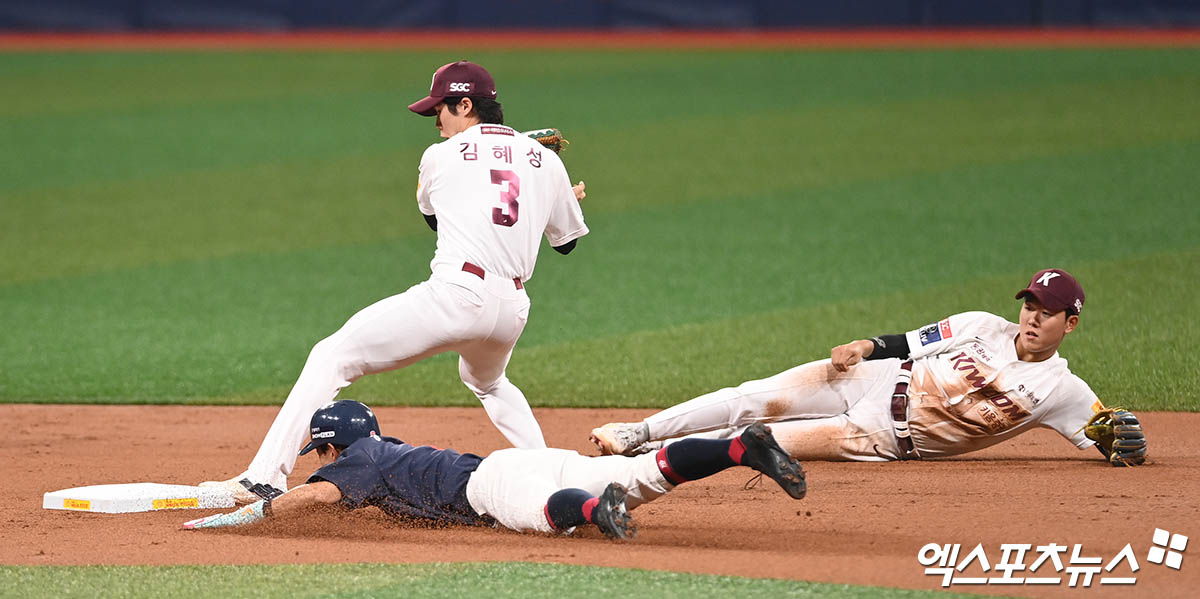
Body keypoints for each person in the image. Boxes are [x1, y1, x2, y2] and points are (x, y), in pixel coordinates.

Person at [202, 60, 590, 503]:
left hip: (457, 298)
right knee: (489, 382)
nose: (437, 124)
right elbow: (565, 245)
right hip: (512, 311)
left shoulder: (440, 157)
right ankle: (552, 478)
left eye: (440, 111)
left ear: (465, 104)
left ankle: (264, 477)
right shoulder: (546, 163)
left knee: (332, 355)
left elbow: (433, 219)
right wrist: (552, 195)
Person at [589, 269, 1148, 466]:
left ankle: (651, 458)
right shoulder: (982, 324)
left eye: (1047, 313)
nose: (1032, 318)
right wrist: (862, 346)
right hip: (880, 377)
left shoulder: (1065, 391)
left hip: (879, 437)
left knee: (763, 437)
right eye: (1029, 305)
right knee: (755, 395)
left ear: (1068, 324)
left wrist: (1130, 444)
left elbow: (1111, 437)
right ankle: (638, 431)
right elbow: (911, 340)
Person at [183, 400, 807, 539]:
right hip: (529, 462)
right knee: (644, 475)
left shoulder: (360, 463)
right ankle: (737, 449)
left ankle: (594, 511)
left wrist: (247, 514)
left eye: (319, 454)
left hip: (497, 485)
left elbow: (313, 501)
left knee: (546, 516)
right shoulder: (386, 448)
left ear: (330, 448)